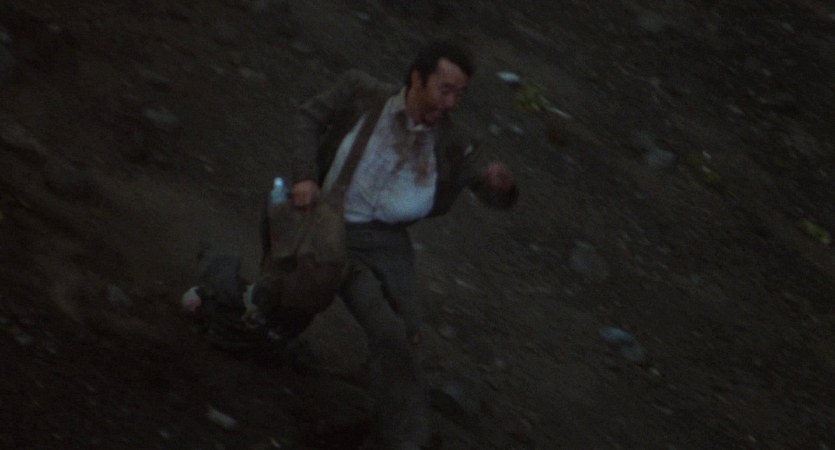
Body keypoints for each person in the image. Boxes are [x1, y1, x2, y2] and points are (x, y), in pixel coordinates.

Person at [290, 40, 518, 450]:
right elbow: (308, 117)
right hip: (331, 226)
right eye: (444, 90)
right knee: (293, 307)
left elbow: (489, 191)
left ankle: (400, 436)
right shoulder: (361, 93)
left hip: (386, 241)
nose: (450, 103)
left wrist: (501, 186)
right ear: (417, 78)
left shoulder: (452, 141)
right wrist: (305, 176)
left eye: (460, 94)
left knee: (405, 332)